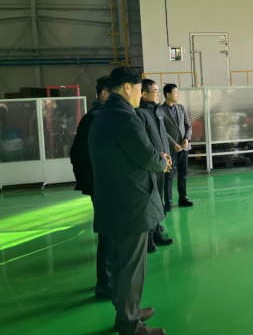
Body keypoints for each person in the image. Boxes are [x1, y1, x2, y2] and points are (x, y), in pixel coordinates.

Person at [89, 67, 170, 335]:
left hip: (114, 199)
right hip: (131, 203)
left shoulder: (104, 115)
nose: (140, 94)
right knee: (132, 267)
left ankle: (126, 311)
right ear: (127, 87)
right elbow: (147, 156)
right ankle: (131, 325)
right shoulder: (125, 118)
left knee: (120, 262)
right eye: (138, 89)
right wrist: (162, 162)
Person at [70, 76, 112, 299]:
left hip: (104, 183)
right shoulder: (95, 118)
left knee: (112, 232)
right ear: (104, 94)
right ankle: (105, 284)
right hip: (102, 184)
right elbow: (78, 154)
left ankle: (109, 279)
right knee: (108, 233)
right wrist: (93, 181)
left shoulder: (101, 116)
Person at [136, 79, 175, 253]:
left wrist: (167, 158)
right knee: (150, 202)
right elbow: (145, 142)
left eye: (159, 91)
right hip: (152, 164)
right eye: (155, 91)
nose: (158, 94)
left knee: (158, 200)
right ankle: (148, 239)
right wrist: (158, 159)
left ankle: (157, 232)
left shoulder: (157, 111)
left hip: (162, 163)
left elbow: (162, 136)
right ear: (144, 94)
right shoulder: (140, 114)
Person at [161, 84, 194, 211]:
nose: (178, 94)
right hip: (171, 149)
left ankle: (183, 198)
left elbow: (188, 126)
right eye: (175, 92)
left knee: (183, 174)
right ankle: (168, 202)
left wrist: (186, 139)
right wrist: (173, 144)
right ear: (168, 94)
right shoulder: (160, 110)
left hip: (184, 148)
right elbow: (162, 131)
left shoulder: (181, 108)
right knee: (169, 175)